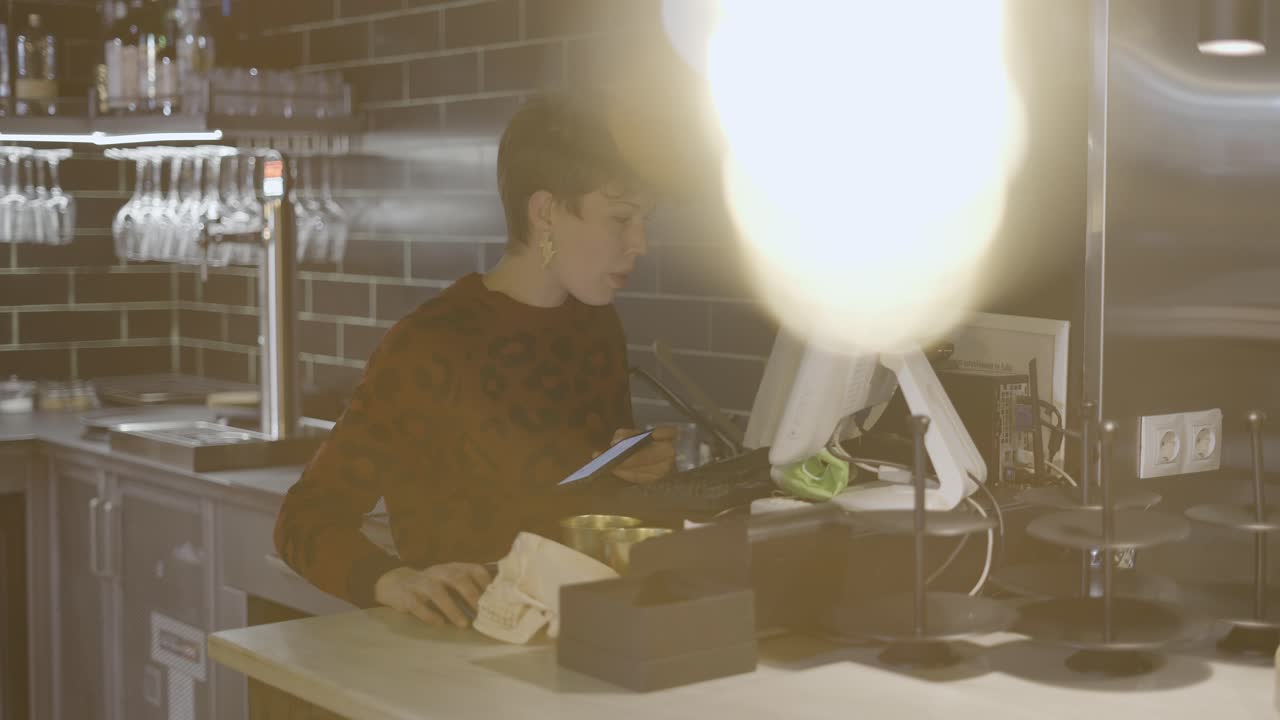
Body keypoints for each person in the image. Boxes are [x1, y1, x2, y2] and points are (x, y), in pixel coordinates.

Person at [273, 94, 676, 629]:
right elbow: (305, 519)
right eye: (622, 218)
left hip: (568, 640)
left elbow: (571, 505)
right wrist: (392, 580)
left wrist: (629, 469)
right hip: (454, 654)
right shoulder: (430, 344)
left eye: (644, 220)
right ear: (546, 213)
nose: (640, 244)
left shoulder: (594, 325)